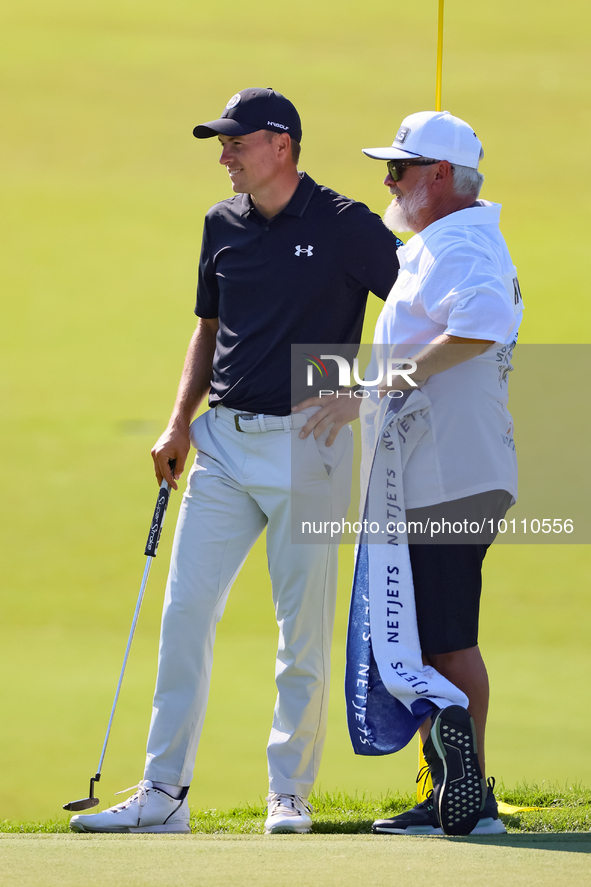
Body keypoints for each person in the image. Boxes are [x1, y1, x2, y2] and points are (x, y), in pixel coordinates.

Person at [69, 87, 401, 835]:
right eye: (222, 145)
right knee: (184, 615)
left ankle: (289, 791)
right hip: (222, 444)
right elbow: (207, 327)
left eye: (235, 143)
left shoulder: (347, 225)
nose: (223, 156)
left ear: (280, 144)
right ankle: (164, 792)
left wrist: (360, 391)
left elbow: (418, 317)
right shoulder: (220, 224)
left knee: (302, 632)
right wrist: (178, 421)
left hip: (310, 447)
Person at [295, 110, 523, 836]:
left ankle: (470, 798)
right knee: (428, 637)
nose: (386, 181)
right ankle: (447, 792)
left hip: (449, 474)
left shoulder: (458, 244)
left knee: (446, 638)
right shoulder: (440, 242)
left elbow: (482, 320)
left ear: (438, 177)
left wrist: (380, 384)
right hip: (435, 472)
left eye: (398, 169)